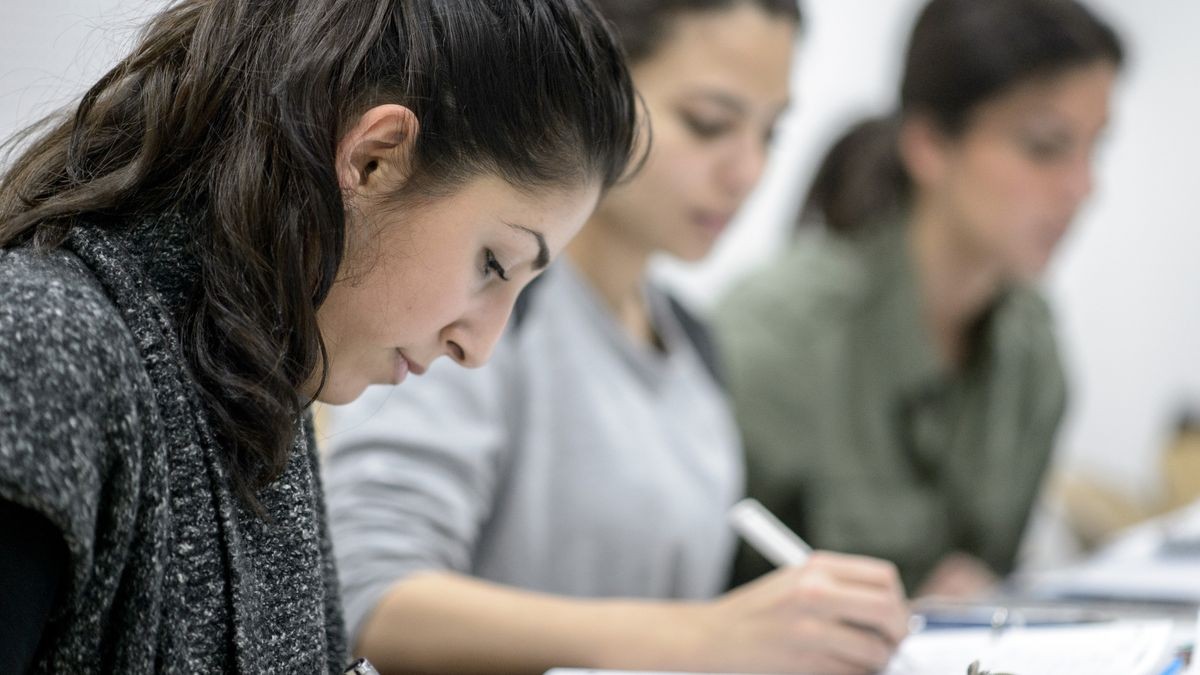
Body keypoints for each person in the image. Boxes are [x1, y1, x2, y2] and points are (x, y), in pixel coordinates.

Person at [0, 0, 640, 671]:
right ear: (373, 160)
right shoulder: (46, 348)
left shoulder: (259, 400)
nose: (477, 346)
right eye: (493, 264)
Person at [321, 1, 910, 674]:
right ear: (596, 94)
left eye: (771, 133)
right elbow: (366, 595)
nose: (747, 171)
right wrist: (693, 638)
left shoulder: (692, 343)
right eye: (708, 123)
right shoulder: (471, 307)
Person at [715, 0, 1124, 598]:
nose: (1083, 188)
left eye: (1095, 149)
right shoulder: (772, 343)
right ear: (929, 143)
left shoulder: (1034, 352)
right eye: (1044, 146)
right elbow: (681, 610)